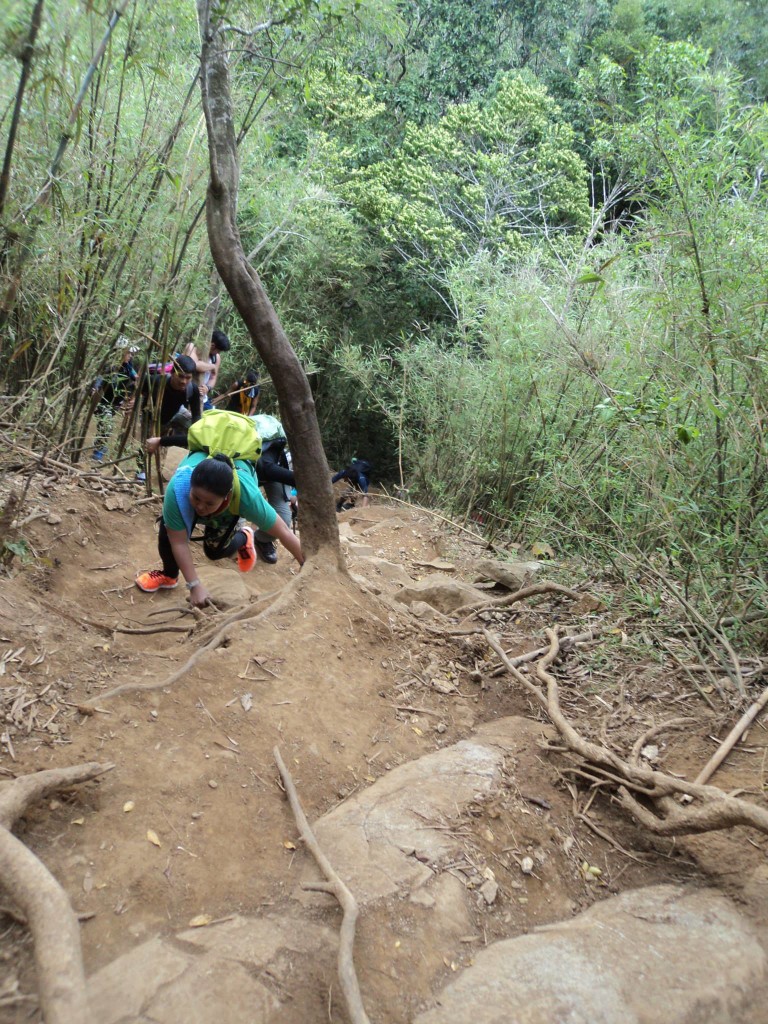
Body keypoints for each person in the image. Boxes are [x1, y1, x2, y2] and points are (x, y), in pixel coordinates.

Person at [135, 451, 304, 607]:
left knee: (214, 552)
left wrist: (308, 570)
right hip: (190, 498)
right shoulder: (178, 487)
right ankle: (169, 576)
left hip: (225, 512)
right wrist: (194, 585)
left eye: (209, 503)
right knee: (168, 534)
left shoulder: (247, 497)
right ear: (190, 486)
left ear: (227, 496)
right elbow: (178, 542)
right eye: (196, 498)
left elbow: (284, 531)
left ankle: (245, 536)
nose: (200, 507)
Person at [133, 354, 201, 482]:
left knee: (199, 435)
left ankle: (193, 469)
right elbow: (135, 389)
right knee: (147, 445)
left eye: (188, 378)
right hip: (152, 416)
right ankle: (140, 471)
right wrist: (132, 400)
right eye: (180, 376)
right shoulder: (156, 381)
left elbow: (197, 414)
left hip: (177, 413)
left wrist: (197, 429)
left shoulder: (192, 389)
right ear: (172, 371)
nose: (184, 381)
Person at [92, 337, 139, 462]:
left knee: (106, 423)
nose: (130, 355)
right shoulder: (110, 365)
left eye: (130, 353)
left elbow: (136, 377)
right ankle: (98, 450)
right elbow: (100, 378)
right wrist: (95, 388)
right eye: (127, 352)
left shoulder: (128, 366)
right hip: (104, 400)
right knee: (106, 423)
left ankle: (100, 445)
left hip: (116, 402)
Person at [184, 329, 231, 410]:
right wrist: (213, 366)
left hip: (202, 398)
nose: (218, 353)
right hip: (184, 394)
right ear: (213, 345)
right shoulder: (192, 347)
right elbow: (194, 365)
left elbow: (213, 377)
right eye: (218, 350)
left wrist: (207, 387)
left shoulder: (216, 358)